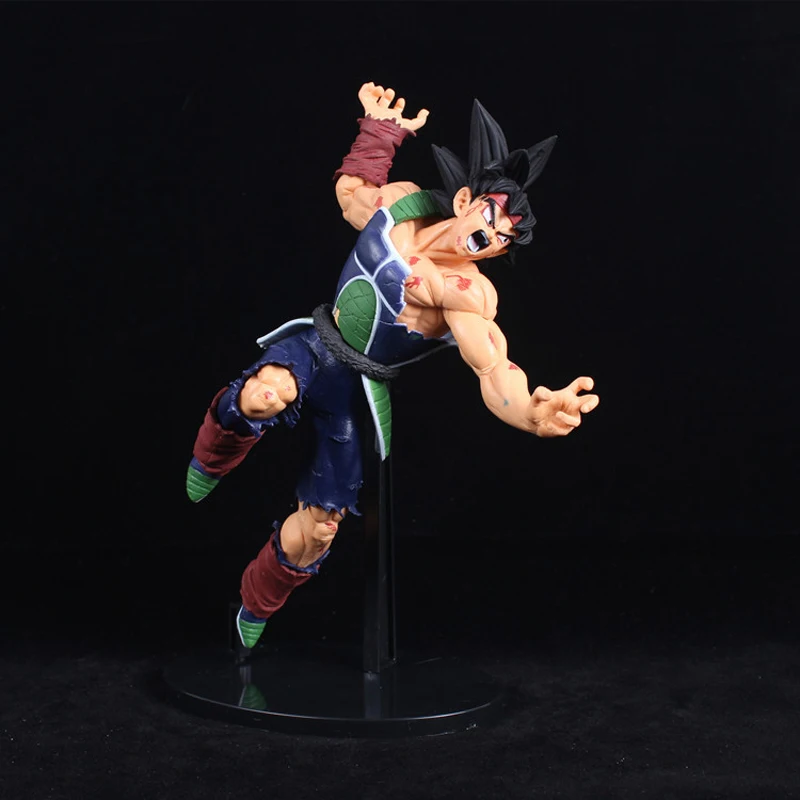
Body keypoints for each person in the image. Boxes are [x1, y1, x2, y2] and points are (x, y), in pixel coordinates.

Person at [186, 82, 600, 651]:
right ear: (464, 200)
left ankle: (255, 604)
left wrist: (531, 411)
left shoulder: (469, 295)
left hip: (357, 395)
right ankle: (210, 460)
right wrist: (379, 133)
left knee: (320, 530)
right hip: (317, 348)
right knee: (265, 393)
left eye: (501, 242)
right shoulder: (403, 206)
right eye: (490, 219)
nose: (488, 239)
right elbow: (351, 195)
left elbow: (493, 367)